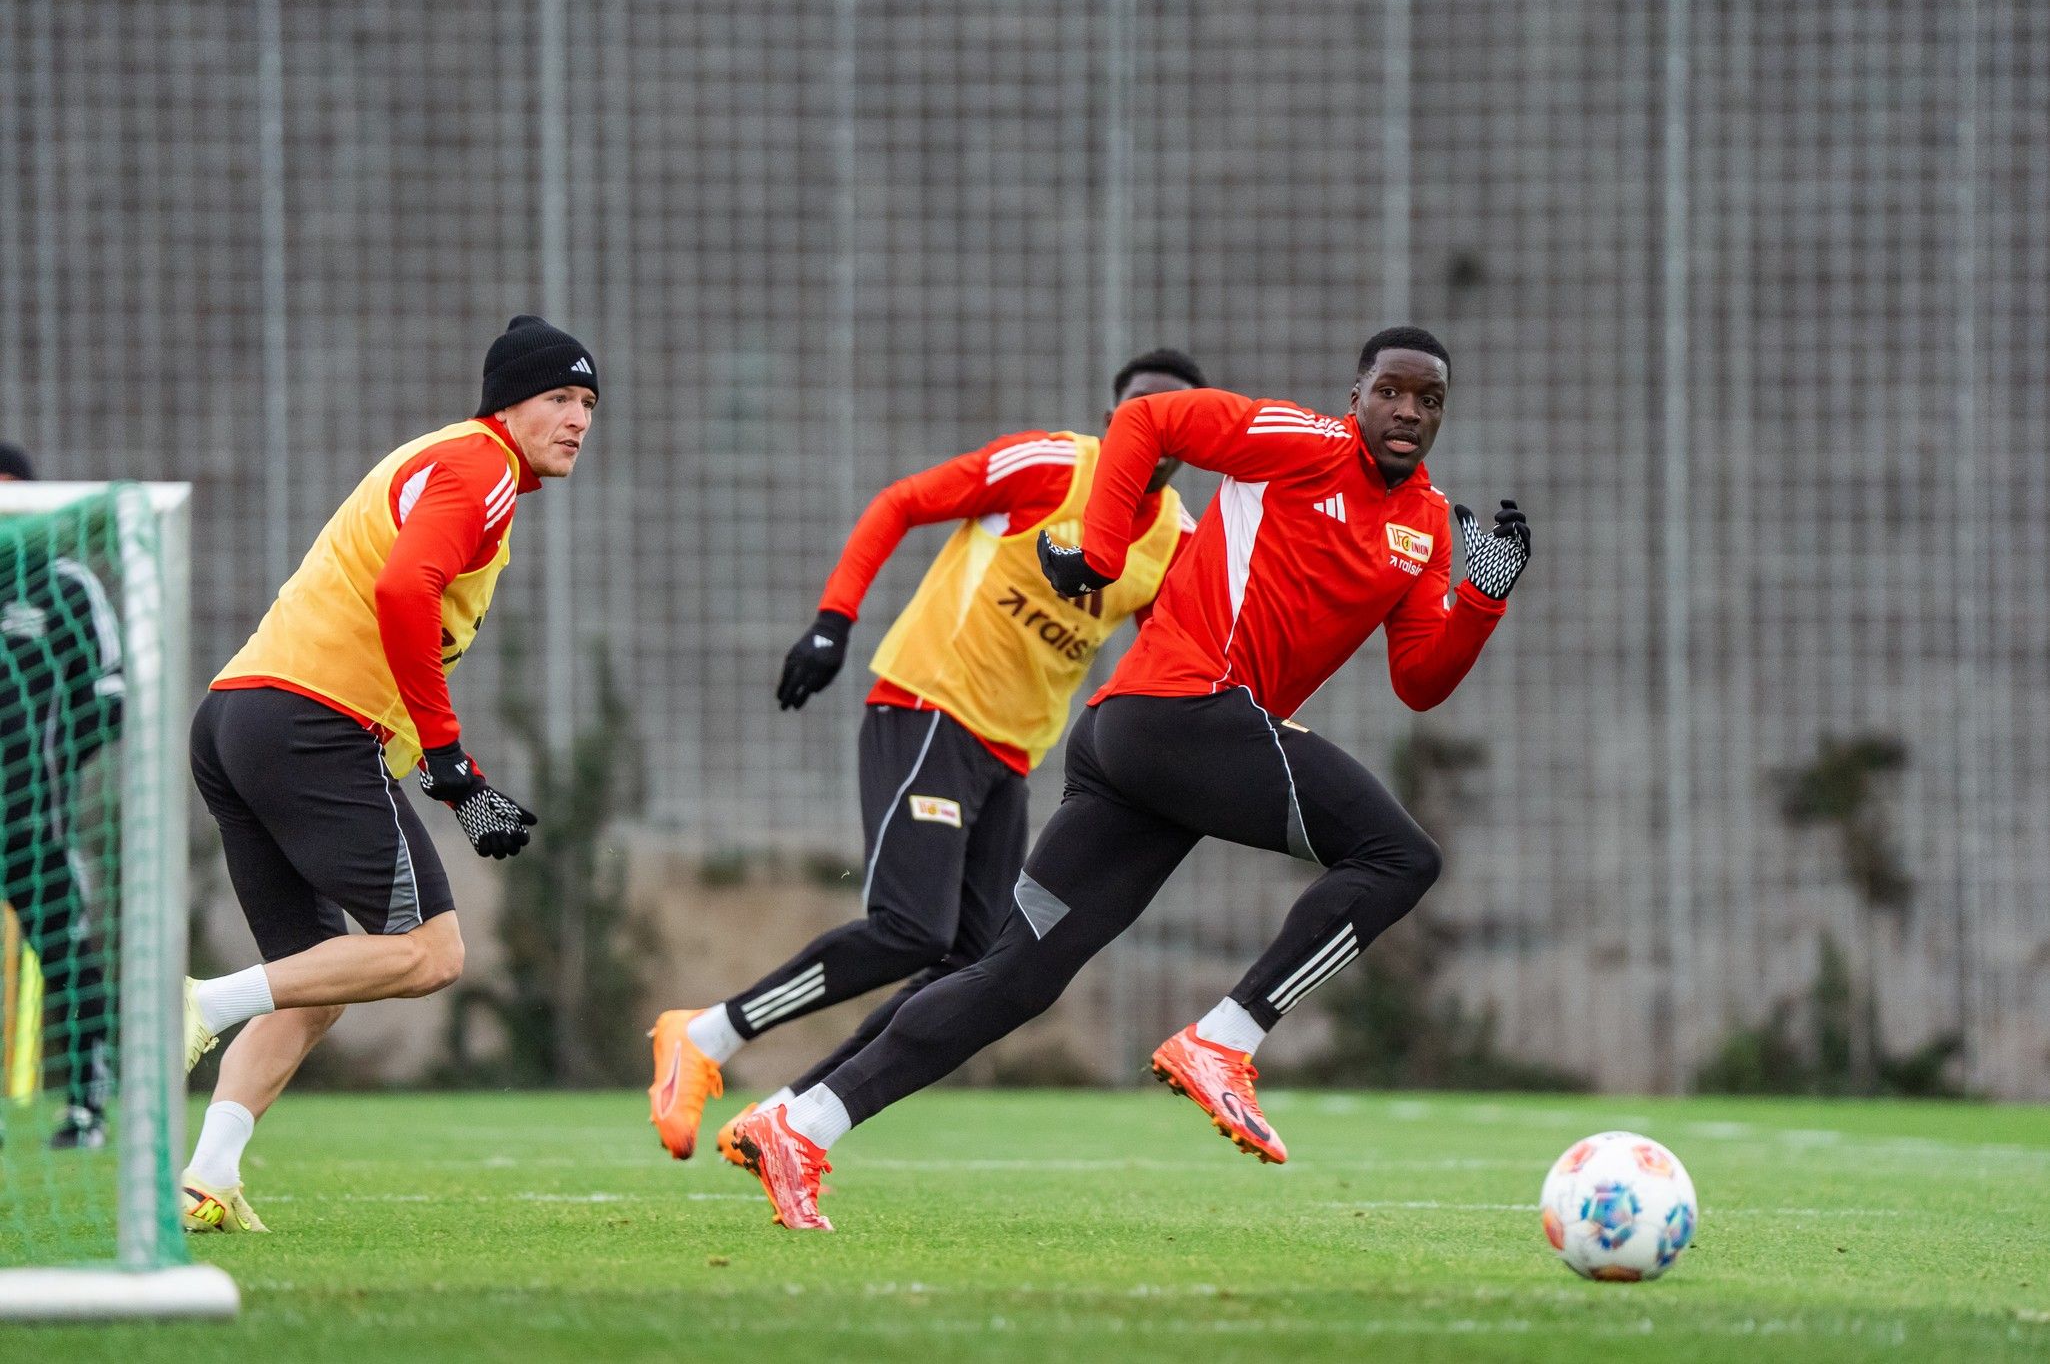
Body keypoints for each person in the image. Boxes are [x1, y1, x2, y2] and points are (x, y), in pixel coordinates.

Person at [729, 326, 1533, 1231]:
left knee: (1013, 977)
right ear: (1357, 394)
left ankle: (799, 1121)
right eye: (1392, 391)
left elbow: (1419, 680)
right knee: (1399, 858)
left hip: (1146, 753)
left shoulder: (1427, 527)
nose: (1408, 412)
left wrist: (1483, 598)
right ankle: (1223, 1040)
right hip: (1179, 713)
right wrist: (1104, 553)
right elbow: (1147, 420)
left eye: (1429, 401)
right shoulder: (1299, 441)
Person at [646, 350, 1207, 1165]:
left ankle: (792, 1113)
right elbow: (901, 502)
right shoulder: (1050, 466)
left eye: (1172, 417)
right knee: (911, 927)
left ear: (1191, 438)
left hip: (1011, 755)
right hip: (929, 707)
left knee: (969, 963)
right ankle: (703, 1035)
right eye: (1136, 411)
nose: (1150, 428)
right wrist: (833, 619)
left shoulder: (1175, 538)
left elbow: (1169, 654)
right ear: (1114, 415)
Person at [176, 316, 598, 1233]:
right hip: (308, 720)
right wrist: (451, 765)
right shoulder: (482, 466)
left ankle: (206, 1177)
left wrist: (457, 765)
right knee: (430, 952)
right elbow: (405, 590)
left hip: (238, 718)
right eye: (558, 398)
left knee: (316, 979)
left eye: (588, 402)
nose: (577, 419)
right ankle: (201, 1001)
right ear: (507, 405)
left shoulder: (461, 467)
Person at [0, 443, 124, 1149]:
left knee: (69, 955)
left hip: (37, 822)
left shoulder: (65, 585)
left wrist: (47, 764)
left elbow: (110, 698)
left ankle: (86, 1107)